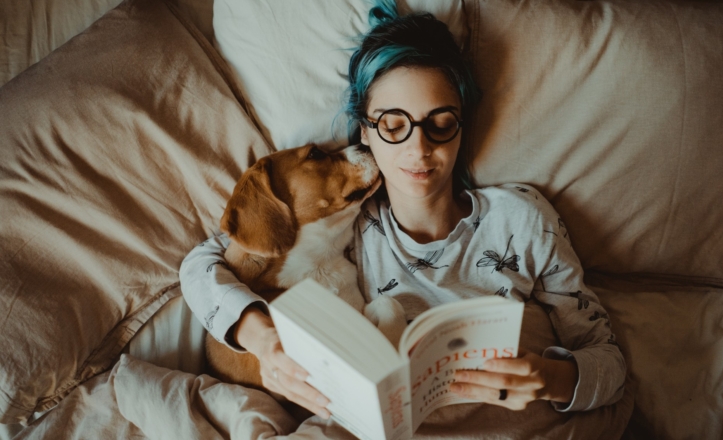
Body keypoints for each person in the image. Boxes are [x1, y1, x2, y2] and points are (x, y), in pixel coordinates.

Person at [179, 1, 625, 424]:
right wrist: (264, 342)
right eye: (393, 125)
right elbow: (202, 265)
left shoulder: (523, 219)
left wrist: (553, 379)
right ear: (365, 134)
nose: (419, 147)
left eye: (440, 123)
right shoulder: (347, 223)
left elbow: (607, 359)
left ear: (461, 125)